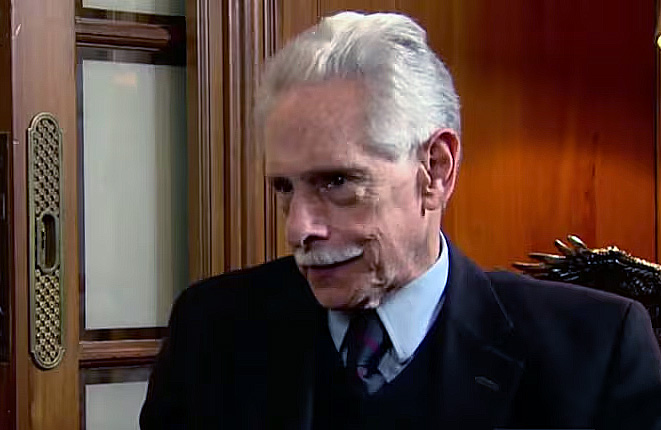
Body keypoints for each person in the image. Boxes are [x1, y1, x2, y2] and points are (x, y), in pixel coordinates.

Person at [140, 11, 661, 429]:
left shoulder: (596, 352)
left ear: (435, 169)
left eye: (336, 182)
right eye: (284, 187)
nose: (299, 229)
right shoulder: (211, 330)